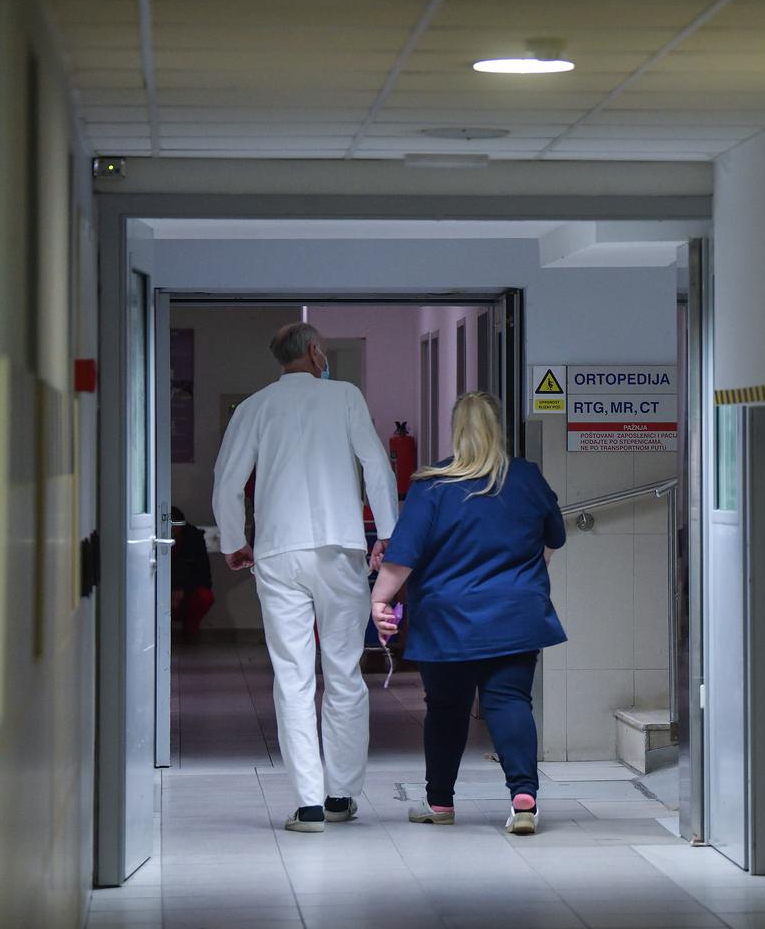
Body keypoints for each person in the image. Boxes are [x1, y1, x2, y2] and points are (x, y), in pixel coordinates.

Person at [212, 322, 399, 833]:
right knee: (343, 673)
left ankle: (309, 804)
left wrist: (235, 542)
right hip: (341, 549)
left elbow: (227, 482)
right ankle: (341, 795)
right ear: (316, 353)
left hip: (278, 553)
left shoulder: (255, 406)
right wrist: (388, 533)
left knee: (293, 677)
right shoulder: (345, 397)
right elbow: (376, 467)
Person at [371, 392, 566, 836]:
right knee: (510, 700)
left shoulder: (431, 485)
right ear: (500, 427)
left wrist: (379, 600)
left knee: (446, 708)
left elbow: (404, 556)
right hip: (515, 614)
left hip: (447, 620)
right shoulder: (527, 477)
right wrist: (526, 577)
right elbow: (553, 537)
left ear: (456, 429)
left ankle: (440, 802)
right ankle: (523, 798)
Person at [169, 506, 214, 637]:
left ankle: (189, 633)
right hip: (158, 594)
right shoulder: (154, 541)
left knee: (204, 596)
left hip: (186, 594)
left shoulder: (193, 540)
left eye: (174, 527)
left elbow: (204, 576)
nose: (171, 531)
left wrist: (183, 591)